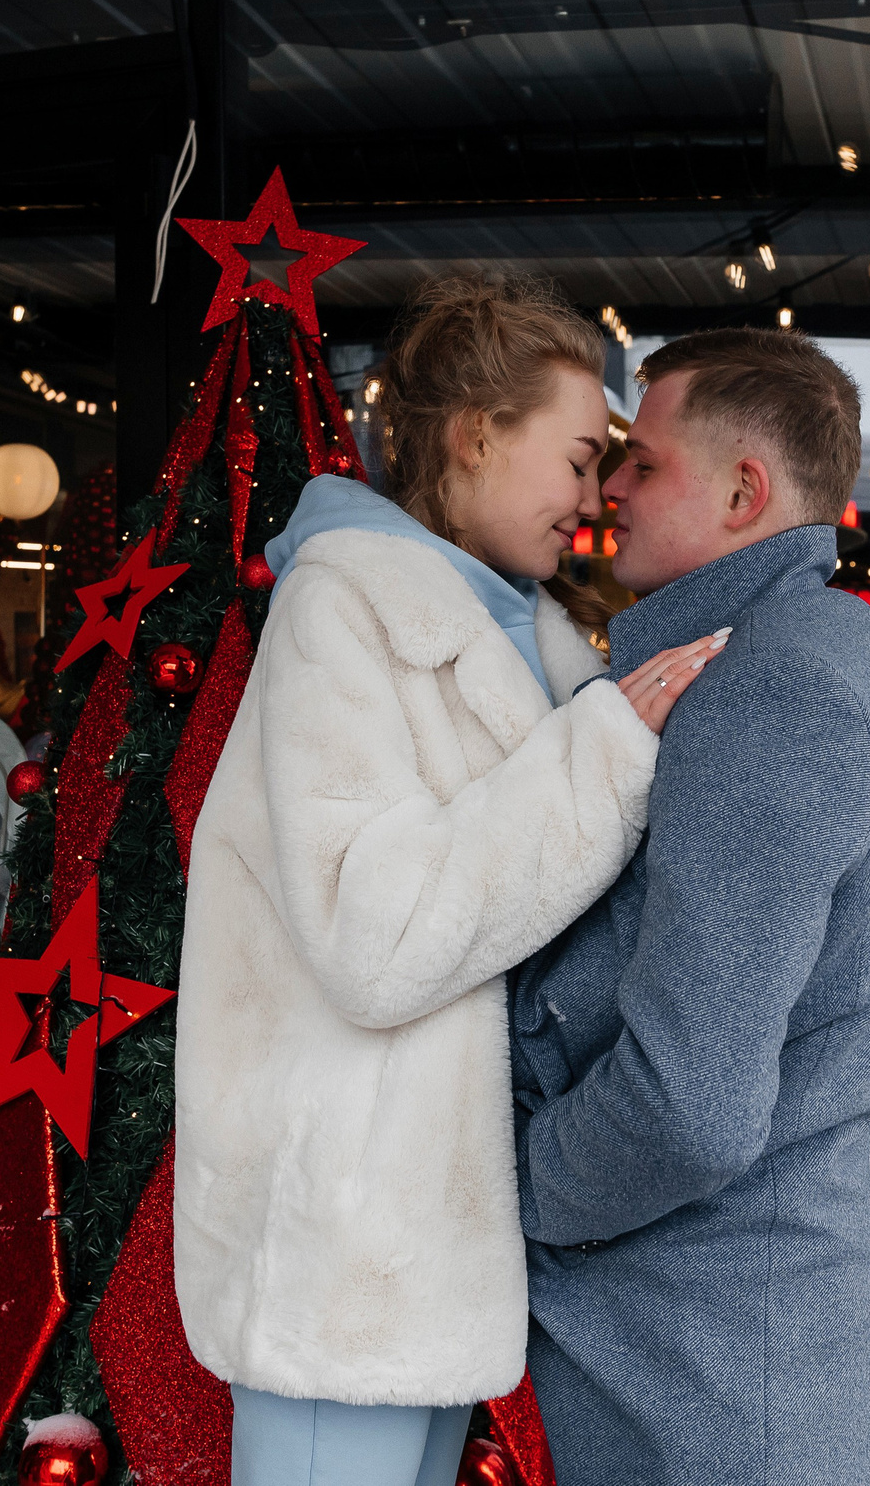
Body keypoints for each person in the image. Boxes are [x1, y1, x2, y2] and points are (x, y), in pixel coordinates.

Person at [175, 274, 728, 1486]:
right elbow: (375, 937)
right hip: (345, 1248)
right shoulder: (344, 611)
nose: (594, 498)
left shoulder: (508, 627)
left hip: (415, 1253)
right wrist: (601, 758)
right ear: (479, 433)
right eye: (580, 457)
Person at [509, 328, 870, 1486]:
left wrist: (494, 1190)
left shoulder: (770, 683)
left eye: (642, 463)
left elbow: (686, 1108)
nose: (608, 485)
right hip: (732, 1350)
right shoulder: (823, 650)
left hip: (693, 1380)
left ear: (745, 491)